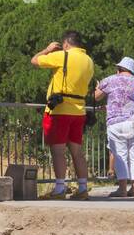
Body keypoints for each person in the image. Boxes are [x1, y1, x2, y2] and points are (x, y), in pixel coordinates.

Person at [31, 30, 95, 199]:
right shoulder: (89, 61)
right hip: (79, 110)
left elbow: (35, 61)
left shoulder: (62, 55)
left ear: (66, 43)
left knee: (58, 150)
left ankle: (59, 189)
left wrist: (47, 49)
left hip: (60, 110)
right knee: (77, 151)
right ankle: (82, 188)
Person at [93, 57, 134, 198]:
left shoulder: (110, 79)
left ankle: (122, 189)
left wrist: (98, 88)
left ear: (119, 69)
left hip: (116, 122)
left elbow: (96, 97)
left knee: (120, 155)